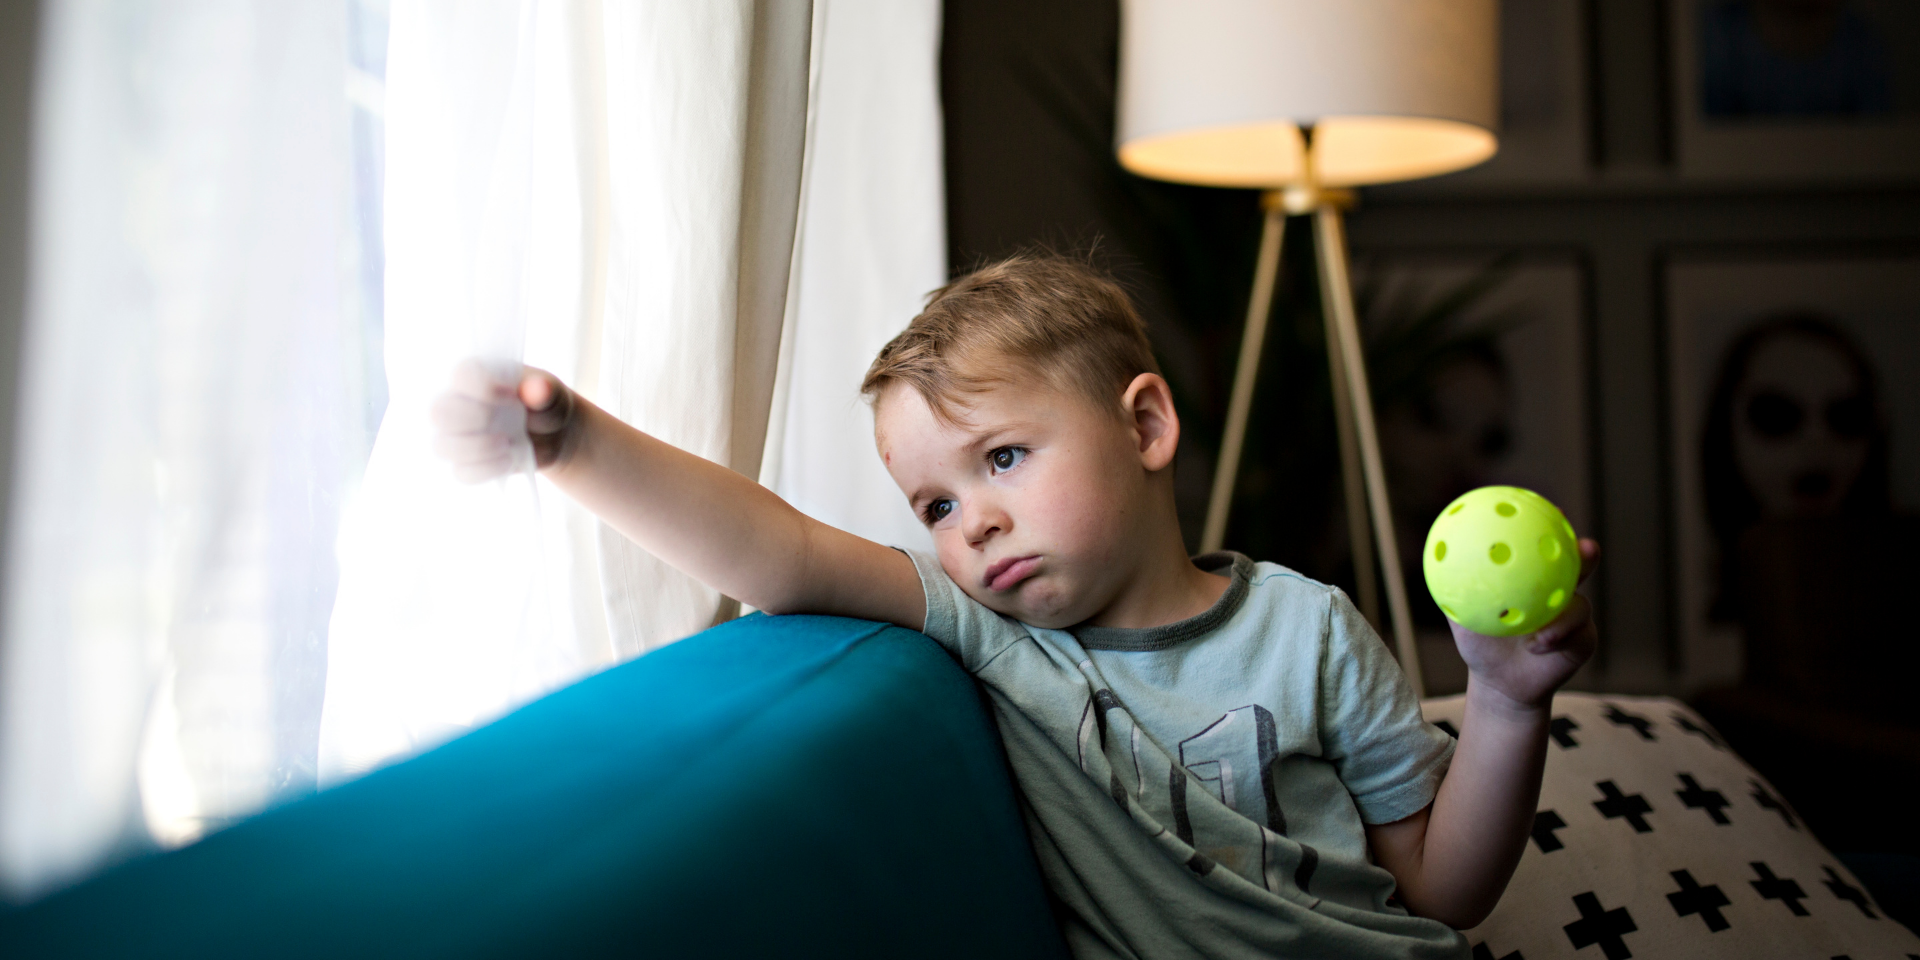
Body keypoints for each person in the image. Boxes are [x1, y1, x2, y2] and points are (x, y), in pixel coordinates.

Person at [432, 256, 1599, 959]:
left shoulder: (1310, 631)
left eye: (1001, 459)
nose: (970, 523)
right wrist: (572, 442)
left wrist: (1503, 701)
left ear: (1145, 428)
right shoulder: (991, 636)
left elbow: (1444, 891)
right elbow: (776, 549)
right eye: (933, 503)